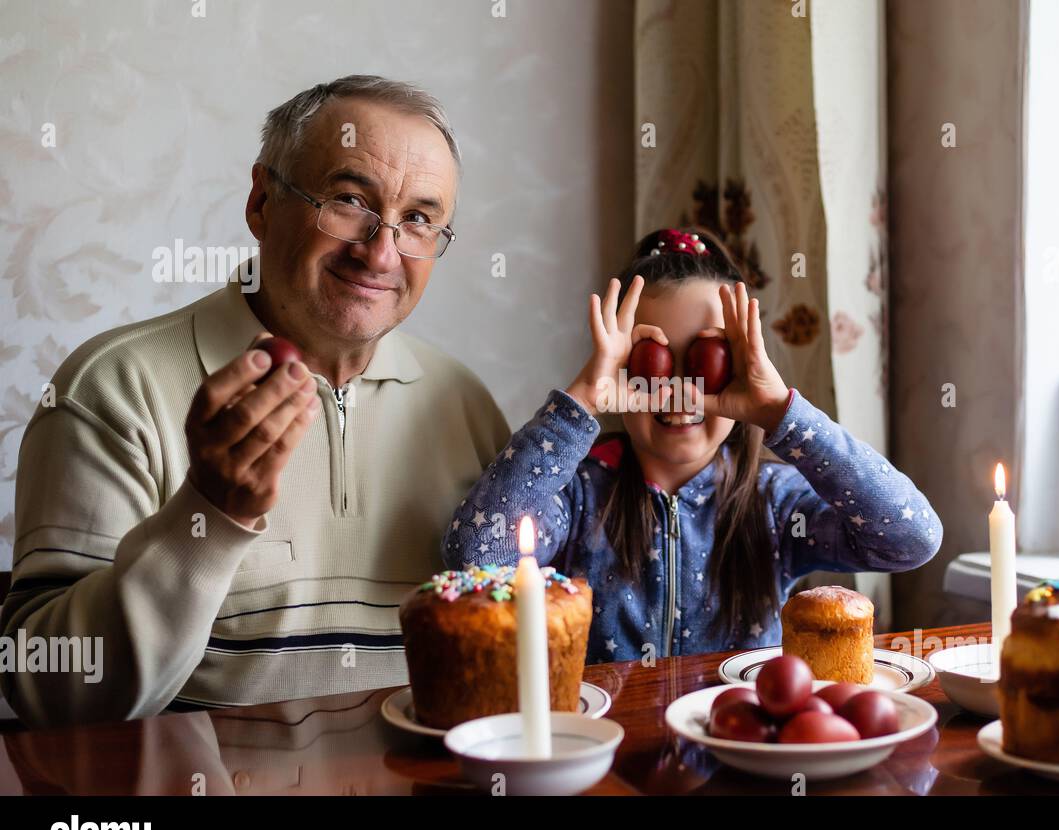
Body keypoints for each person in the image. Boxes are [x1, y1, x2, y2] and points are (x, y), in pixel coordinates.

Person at [1, 76, 510, 727]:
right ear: (262, 201)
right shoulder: (109, 388)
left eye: (417, 218)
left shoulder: (464, 406)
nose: (381, 251)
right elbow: (47, 688)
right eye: (349, 199)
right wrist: (208, 514)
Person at [442, 228, 942, 661]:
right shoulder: (579, 494)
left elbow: (911, 538)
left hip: (739, 747)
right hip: (607, 749)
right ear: (618, 367)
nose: (680, 391)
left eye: (709, 362)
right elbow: (476, 556)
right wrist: (581, 403)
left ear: (745, 367)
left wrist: (783, 415)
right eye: (651, 361)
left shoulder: (772, 501)